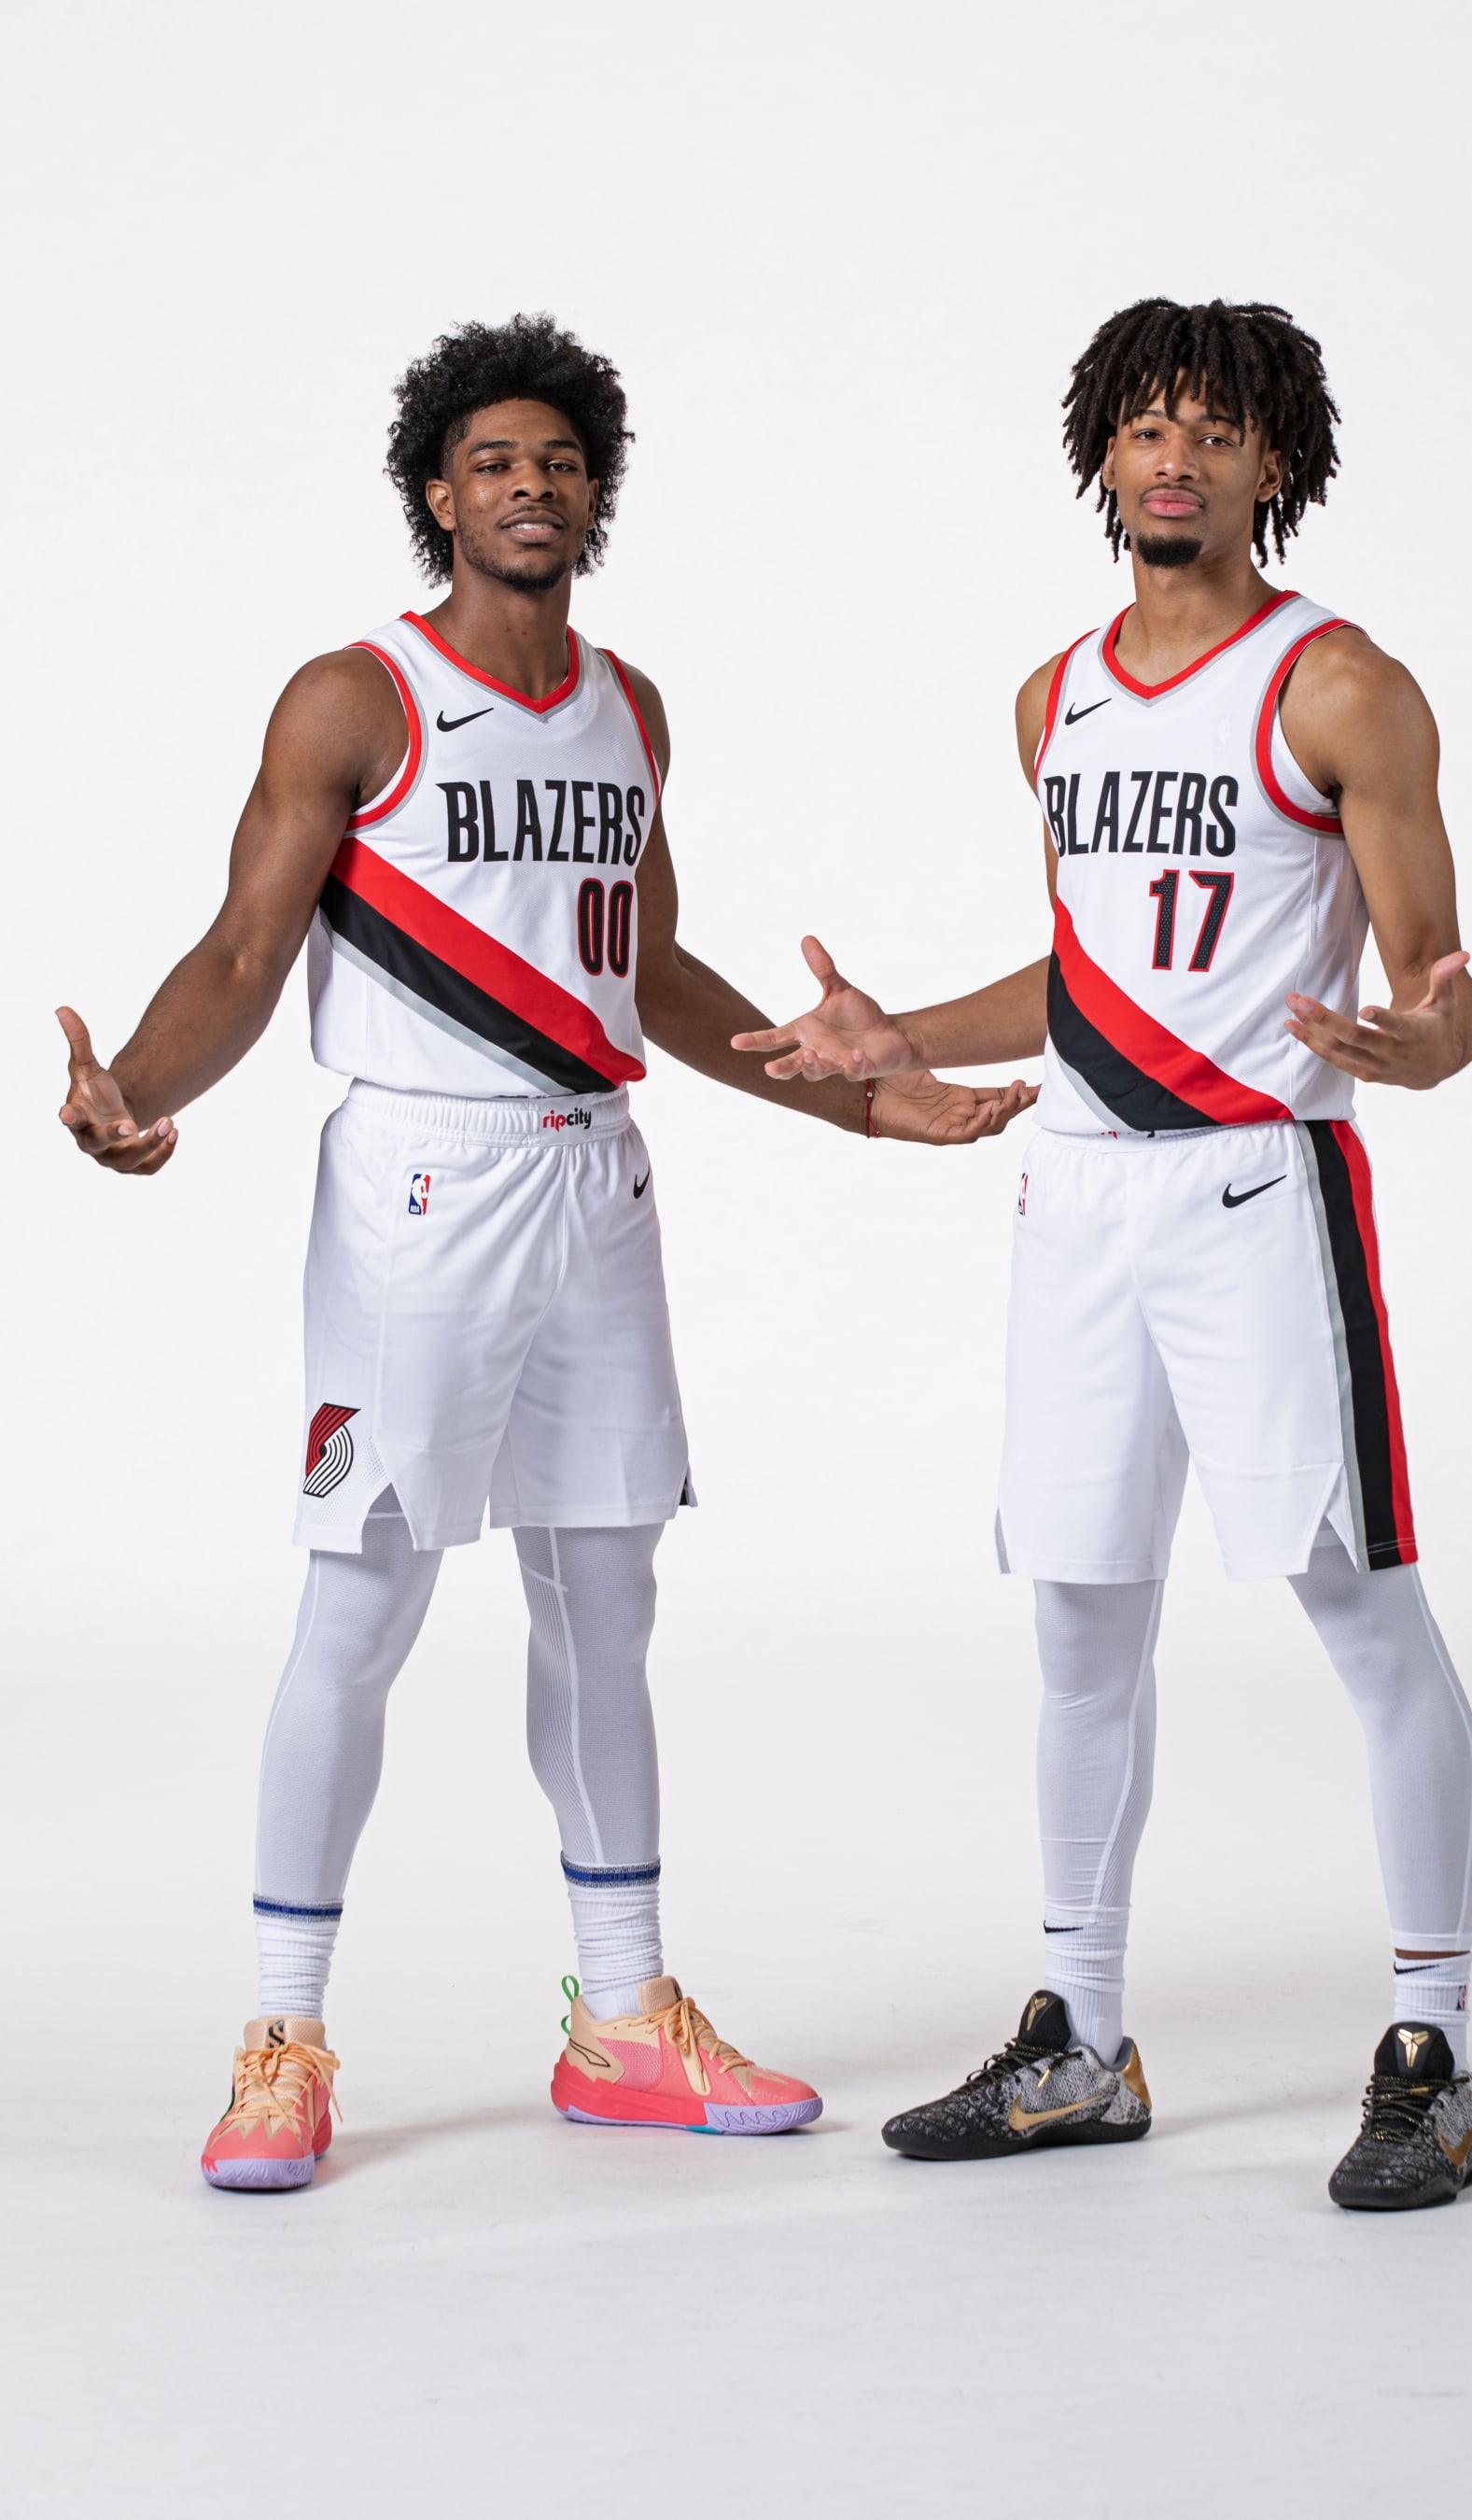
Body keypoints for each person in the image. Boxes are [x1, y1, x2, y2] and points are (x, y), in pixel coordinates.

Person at [58, 314, 1030, 2191]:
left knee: (607, 1599)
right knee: (364, 1602)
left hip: (596, 1179)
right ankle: (281, 2033)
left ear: (597, 494)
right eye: (493, 461)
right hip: (414, 1190)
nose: (530, 486)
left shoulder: (629, 707)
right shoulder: (356, 698)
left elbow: (646, 971)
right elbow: (248, 949)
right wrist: (143, 1093)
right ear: (436, 492)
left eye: (560, 462)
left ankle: (621, 2014)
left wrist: (863, 1097)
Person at [735, 297, 1472, 2211]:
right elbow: (1092, 973)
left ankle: (1436, 2049)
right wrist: (904, 1032)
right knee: (1078, 1617)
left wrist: (1420, 1041)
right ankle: (1077, 2034)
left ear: (1270, 466)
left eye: (1214, 430)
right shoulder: (1049, 697)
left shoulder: (1341, 686)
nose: (1175, 455)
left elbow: (1445, 989)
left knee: (1356, 1606)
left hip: (1255, 1189)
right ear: (1101, 457)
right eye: (1146, 425)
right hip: (1076, 1197)